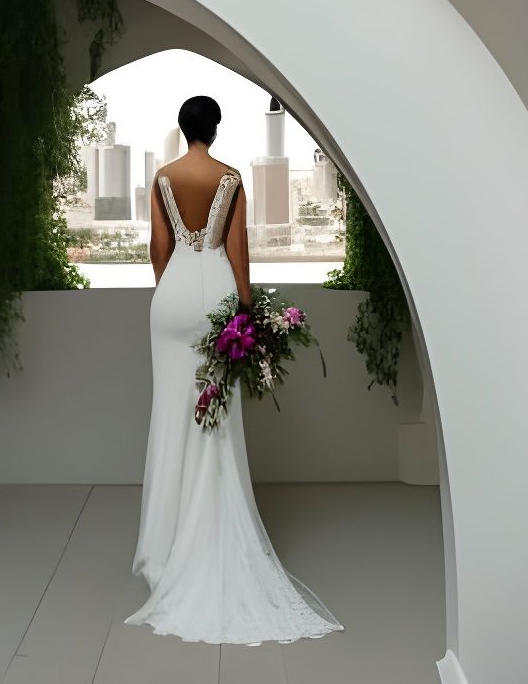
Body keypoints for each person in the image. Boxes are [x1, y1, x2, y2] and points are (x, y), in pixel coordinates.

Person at [124, 95, 344, 645]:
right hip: (215, 295)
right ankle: (209, 538)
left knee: (171, 413)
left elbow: (158, 248)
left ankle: (163, 548)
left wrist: (172, 291)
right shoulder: (231, 178)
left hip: (171, 297)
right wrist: (246, 313)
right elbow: (238, 252)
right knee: (214, 418)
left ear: (183, 128)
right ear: (215, 129)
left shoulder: (163, 178)